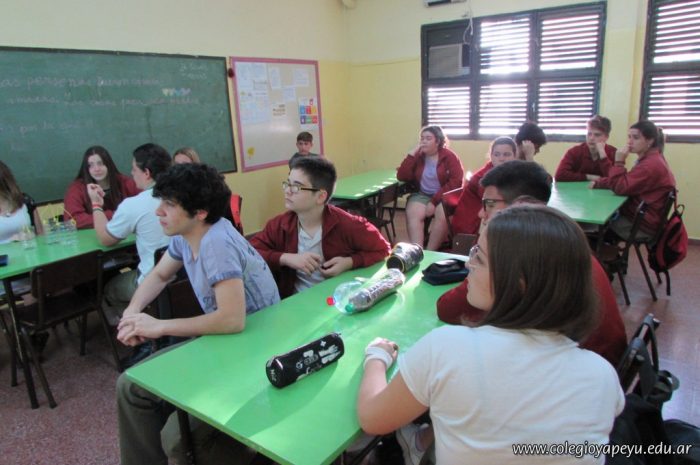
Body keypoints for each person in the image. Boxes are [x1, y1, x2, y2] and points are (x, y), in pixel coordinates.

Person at [357, 205, 625, 465]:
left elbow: (373, 419)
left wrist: (377, 358)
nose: (469, 264)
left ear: (518, 283)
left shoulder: (448, 349)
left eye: (479, 257)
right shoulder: (602, 375)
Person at [116, 163, 280, 465]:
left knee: (177, 440)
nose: (158, 212)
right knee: (130, 386)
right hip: (224, 344)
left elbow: (232, 320)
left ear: (200, 212)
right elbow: (160, 275)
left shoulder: (216, 243)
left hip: (254, 351)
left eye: (169, 204)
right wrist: (132, 312)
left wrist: (159, 326)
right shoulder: (186, 234)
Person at [437, 160, 627, 367]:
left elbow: (449, 309)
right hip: (602, 362)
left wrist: (487, 250)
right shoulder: (560, 239)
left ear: (521, 205)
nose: (481, 213)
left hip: (575, 371)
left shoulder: (521, 253)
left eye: (489, 204)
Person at [251, 157, 390, 299]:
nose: (287, 191)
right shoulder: (280, 225)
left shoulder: (347, 224)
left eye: (296, 187)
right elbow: (248, 253)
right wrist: (286, 258)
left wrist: (349, 262)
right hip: (294, 302)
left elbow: (383, 249)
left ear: (321, 196)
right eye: (287, 183)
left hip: (335, 300)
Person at [88, 143, 171, 324]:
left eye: (134, 169)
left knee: (109, 289)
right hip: (186, 277)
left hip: (153, 279)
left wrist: (96, 205)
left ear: (146, 173)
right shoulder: (184, 195)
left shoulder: (134, 204)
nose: (131, 173)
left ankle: (134, 328)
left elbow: (105, 239)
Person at [591, 120, 676, 240]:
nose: (629, 142)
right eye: (629, 137)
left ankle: (602, 249)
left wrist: (619, 162)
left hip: (640, 225)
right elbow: (628, 180)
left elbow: (620, 188)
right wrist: (600, 183)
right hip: (643, 218)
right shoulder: (651, 158)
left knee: (596, 225)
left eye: (635, 138)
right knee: (602, 217)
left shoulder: (650, 165)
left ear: (650, 141)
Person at [396, 125, 464, 249]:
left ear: (438, 141)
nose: (424, 141)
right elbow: (402, 176)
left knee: (442, 216)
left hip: (443, 196)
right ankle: (418, 250)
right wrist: (411, 155)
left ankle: (430, 251)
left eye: (428, 138)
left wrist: (434, 201)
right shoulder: (418, 156)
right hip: (422, 194)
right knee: (413, 213)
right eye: (422, 138)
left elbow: (456, 182)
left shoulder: (449, 156)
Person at [450, 136, 517, 235]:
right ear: (491, 156)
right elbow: (492, 204)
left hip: (487, 218)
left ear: (515, 156)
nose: (501, 159)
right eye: (497, 154)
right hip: (471, 226)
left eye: (506, 154)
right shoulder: (484, 177)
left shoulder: (509, 171)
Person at [64, 146, 140, 229]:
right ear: (86, 169)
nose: (96, 169)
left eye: (100, 163)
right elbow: (72, 220)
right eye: (91, 165)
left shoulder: (124, 182)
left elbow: (144, 203)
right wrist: (114, 215)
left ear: (108, 164)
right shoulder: (77, 188)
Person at [555, 115, 616, 182]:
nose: (591, 138)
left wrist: (603, 155)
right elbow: (559, 175)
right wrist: (588, 177)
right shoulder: (574, 152)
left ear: (606, 137)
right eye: (589, 134)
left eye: (597, 135)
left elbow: (616, 179)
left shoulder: (613, 152)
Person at [0, 160, 31, 243]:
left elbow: (40, 234)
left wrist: (32, 235)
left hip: (27, 249)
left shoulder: (25, 201)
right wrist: (9, 241)